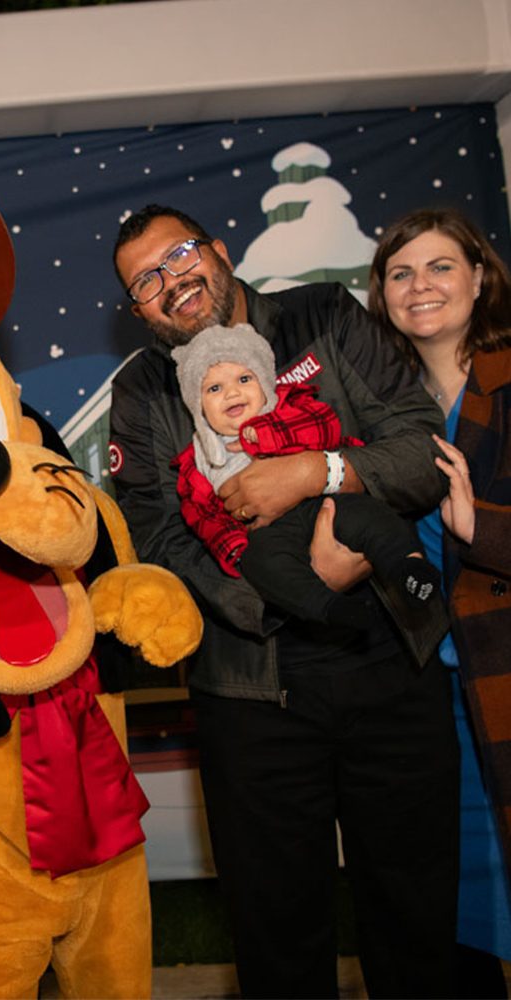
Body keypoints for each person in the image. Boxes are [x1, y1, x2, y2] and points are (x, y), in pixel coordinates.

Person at [109, 204, 460, 998]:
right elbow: (158, 538)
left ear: (220, 250)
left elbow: (418, 447)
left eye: (182, 255)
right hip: (251, 691)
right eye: (147, 280)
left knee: (417, 920)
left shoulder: (325, 316)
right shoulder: (142, 393)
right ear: (139, 309)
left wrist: (314, 473)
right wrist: (288, 594)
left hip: (393, 668)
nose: (174, 282)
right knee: (277, 936)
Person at [369, 206, 511, 998]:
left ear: (480, 276)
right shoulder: (392, 418)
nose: (420, 286)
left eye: (440, 266)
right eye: (400, 272)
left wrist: (478, 527)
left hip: (507, 680)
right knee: (460, 916)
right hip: (435, 703)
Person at [172, 321, 441, 628]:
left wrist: (264, 435)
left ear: (264, 383)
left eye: (245, 378)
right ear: (198, 406)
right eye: (214, 388)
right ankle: (331, 609)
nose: (232, 392)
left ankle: (406, 569)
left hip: (323, 503)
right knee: (260, 563)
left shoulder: (289, 407)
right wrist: (233, 545)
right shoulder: (198, 462)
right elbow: (201, 514)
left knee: (372, 516)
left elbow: (325, 426)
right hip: (267, 532)